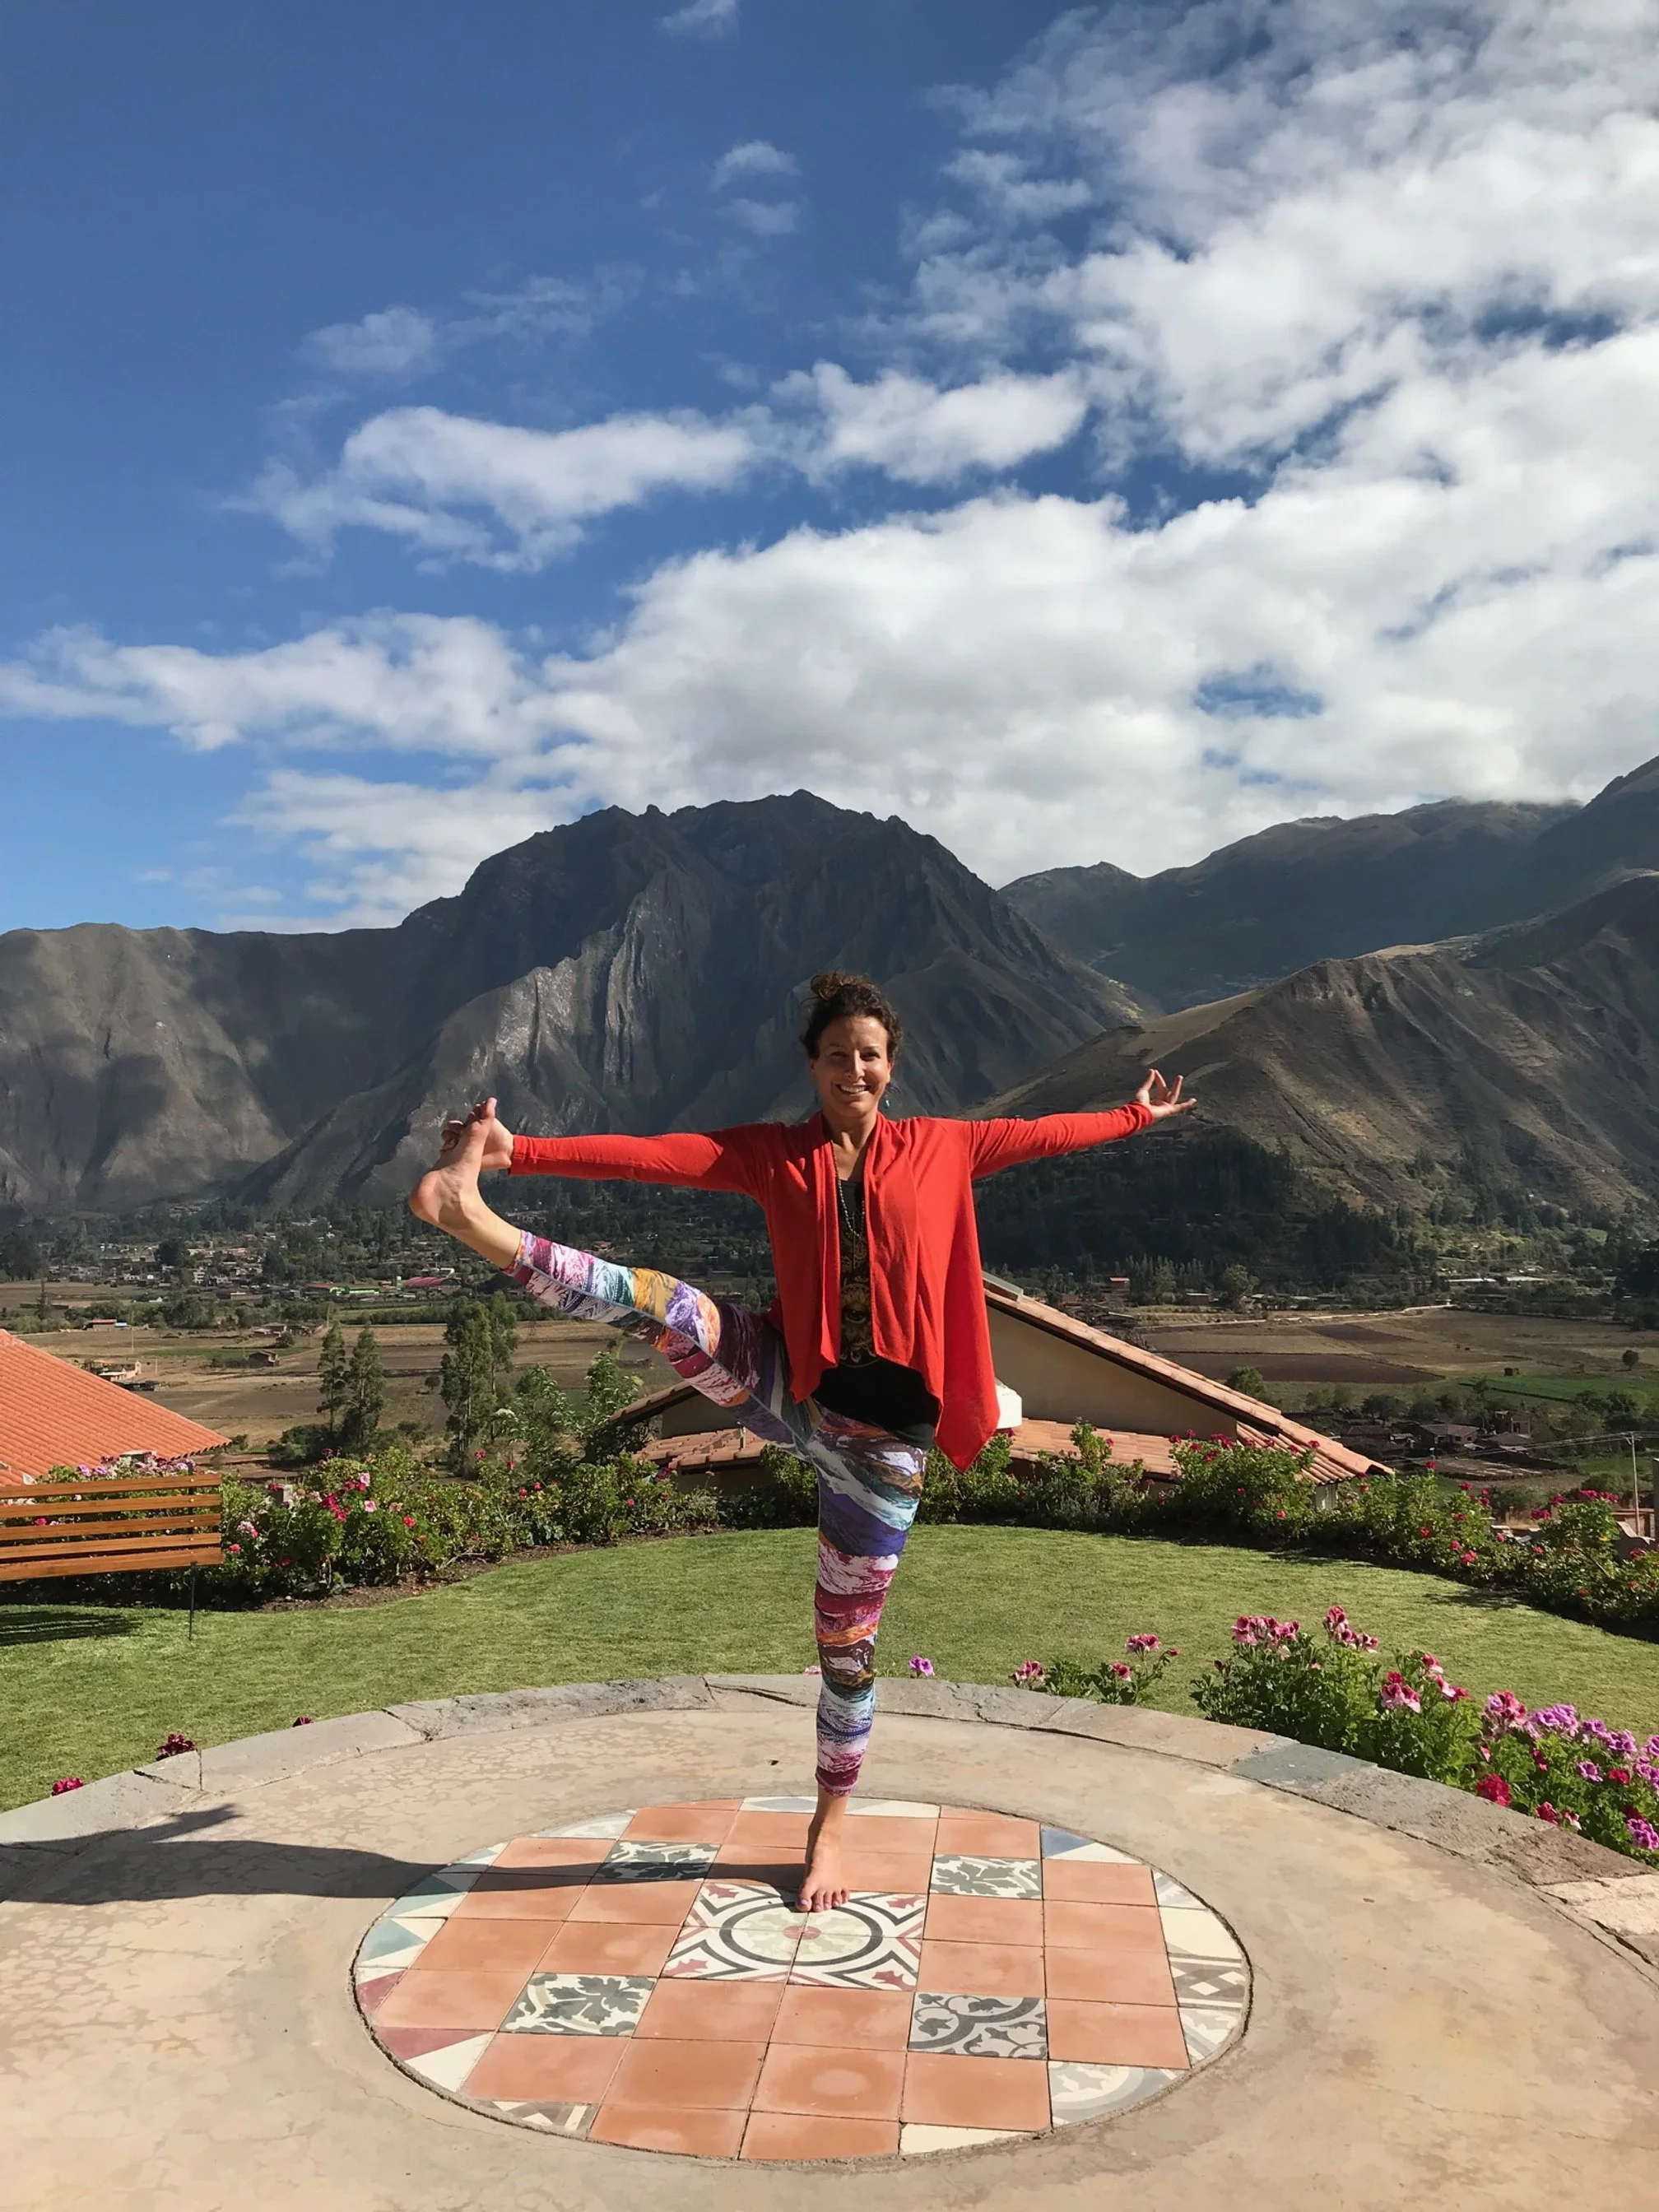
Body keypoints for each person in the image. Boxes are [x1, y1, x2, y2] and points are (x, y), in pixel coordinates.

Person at [409, 969, 1193, 1911]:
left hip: (888, 1447)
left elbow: (1047, 1135)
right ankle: (472, 1216)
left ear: (890, 1068)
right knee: (672, 1310)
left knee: (847, 1651)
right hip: (798, 1389)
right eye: (836, 1054)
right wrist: (520, 1151)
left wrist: (1135, 1118)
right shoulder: (774, 1154)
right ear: (812, 1066)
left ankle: (829, 1825)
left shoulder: (949, 1146)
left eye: (869, 1054)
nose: (852, 1068)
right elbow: (654, 1156)